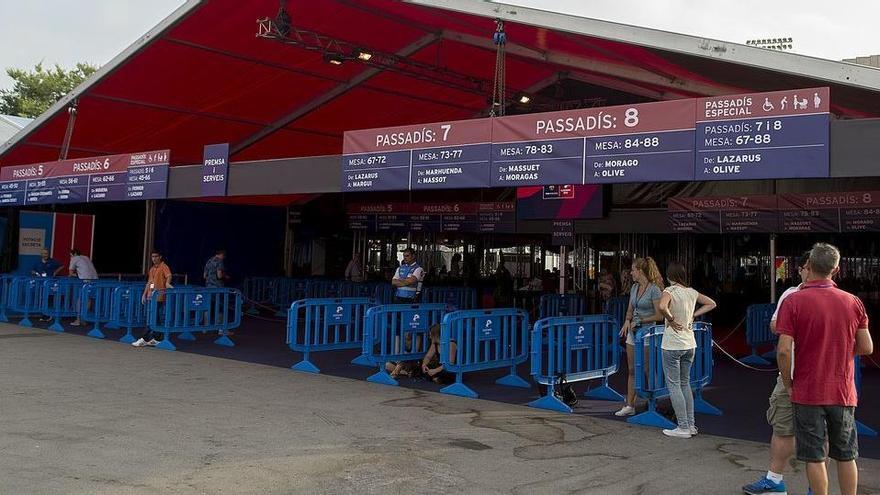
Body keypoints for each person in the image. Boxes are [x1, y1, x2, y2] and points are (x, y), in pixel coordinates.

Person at [776, 243, 873, 495]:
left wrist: (788, 382)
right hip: (842, 389)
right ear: (836, 269)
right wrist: (841, 352)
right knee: (846, 453)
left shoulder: (794, 301)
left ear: (808, 267)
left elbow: (784, 350)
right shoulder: (853, 302)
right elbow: (867, 346)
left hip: (807, 389)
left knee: (815, 455)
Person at [743, 251, 813, 495]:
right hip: (791, 375)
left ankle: (816, 486)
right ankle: (774, 480)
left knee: (817, 433)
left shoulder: (839, 298)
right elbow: (775, 325)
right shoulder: (791, 293)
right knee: (783, 426)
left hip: (813, 378)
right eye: (805, 267)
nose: (805, 272)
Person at [657, 262, 717, 439]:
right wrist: (694, 315)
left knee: (674, 385)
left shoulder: (670, 291)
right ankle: (690, 424)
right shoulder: (692, 292)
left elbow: (662, 307)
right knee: (685, 383)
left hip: (671, 344)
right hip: (689, 342)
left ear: (670, 276)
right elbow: (711, 303)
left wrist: (670, 318)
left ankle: (682, 426)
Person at [615, 257, 664, 417]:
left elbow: (659, 315)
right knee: (631, 370)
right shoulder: (634, 288)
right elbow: (630, 309)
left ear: (640, 271)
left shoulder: (654, 290)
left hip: (648, 333)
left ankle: (653, 403)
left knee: (648, 370)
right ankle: (630, 405)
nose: (631, 272)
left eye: (633, 270)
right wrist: (627, 321)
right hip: (633, 333)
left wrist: (641, 320)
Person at [132, 250, 173, 347]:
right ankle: (157, 338)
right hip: (152, 297)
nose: (154, 259)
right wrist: (146, 293)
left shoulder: (164, 266)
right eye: (152, 257)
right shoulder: (152, 269)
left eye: (156, 256)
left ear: (160, 257)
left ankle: (143, 338)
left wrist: (167, 283)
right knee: (156, 318)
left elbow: (169, 276)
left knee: (152, 318)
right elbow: (151, 282)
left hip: (159, 297)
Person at [68, 248, 98, 326]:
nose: (70, 257)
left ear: (73, 254)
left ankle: (78, 320)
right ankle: (84, 319)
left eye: (70, 255)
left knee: (80, 300)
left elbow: (70, 272)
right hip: (95, 280)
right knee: (89, 299)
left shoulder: (74, 258)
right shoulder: (86, 257)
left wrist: (77, 275)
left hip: (85, 280)